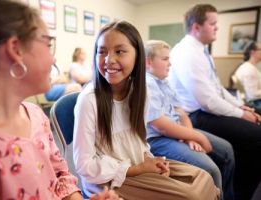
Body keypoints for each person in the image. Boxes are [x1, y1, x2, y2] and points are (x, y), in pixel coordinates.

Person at [0, 1, 121, 200]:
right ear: (15, 49)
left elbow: (61, 178)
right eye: (48, 44)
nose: (53, 59)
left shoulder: (35, 115)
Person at [73, 20, 220, 200]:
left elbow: (138, 140)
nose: (108, 60)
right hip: (107, 180)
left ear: (138, 56)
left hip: (138, 165)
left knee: (204, 177)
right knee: (192, 196)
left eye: (119, 51)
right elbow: (84, 165)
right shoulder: (89, 100)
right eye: (101, 51)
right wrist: (138, 169)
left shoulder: (140, 92)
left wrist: (150, 161)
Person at [168, 4, 261, 200]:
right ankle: (240, 193)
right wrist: (242, 115)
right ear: (196, 27)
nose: (217, 28)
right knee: (256, 135)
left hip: (206, 111)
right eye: (213, 24)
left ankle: (240, 186)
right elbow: (208, 101)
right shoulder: (187, 52)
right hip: (194, 116)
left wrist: (239, 107)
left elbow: (218, 89)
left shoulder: (201, 50)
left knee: (252, 124)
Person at [145, 40, 234, 200]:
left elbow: (181, 112)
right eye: (165, 59)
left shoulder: (164, 82)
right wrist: (195, 137)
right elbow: (161, 127)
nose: (170, 63)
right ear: (148, 62)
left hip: (177, 131)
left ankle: (225, 196)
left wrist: (189, 135)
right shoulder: (146, 83)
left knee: (226, 149)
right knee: (210, 169)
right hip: (158, 139)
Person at [234, 41, 261, 115]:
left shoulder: (249, 67)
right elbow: (252, 95)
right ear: (252, 52)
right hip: (252, 104)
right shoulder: (249, 70)